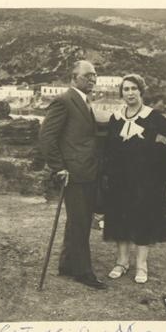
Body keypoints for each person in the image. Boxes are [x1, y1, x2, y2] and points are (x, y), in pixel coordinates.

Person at [103, 74, 166, 283]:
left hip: (146, 180)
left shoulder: (152, 116)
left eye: (133, 89)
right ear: (122, 93)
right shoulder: (116, 117)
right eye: (126, 89)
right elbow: (109, 146)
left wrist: (155, 150)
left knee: (142, 220)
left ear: (141, 91)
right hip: (120, 178)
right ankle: (121, 262)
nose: (129, 93)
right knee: (120, 219)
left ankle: (141, 265)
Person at [38, 60, 106, 289]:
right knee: (79, 222)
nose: (93, 79)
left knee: (80, 220)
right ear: (74, 77)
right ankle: (83, 272)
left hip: (87, 171)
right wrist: (59, 167)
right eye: (88, 76)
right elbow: (47, 137)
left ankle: (67, 264)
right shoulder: (64, 100)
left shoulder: (85, 101)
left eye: (95, 75)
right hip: (73, 173)